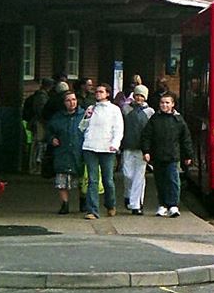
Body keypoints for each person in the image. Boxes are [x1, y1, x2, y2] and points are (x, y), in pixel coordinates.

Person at [140, 92, 193, 218]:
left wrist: (188, 155)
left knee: (173, 180)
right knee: (160, 181)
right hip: (157, 156)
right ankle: (162, 205)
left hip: (172, 156)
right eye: (162, 103)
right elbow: (146, 136)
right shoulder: (154, 119)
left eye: (167, 103)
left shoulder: (179, 120)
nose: (164, 105)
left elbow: (185, 139)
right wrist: (146, 151)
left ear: (173, 104)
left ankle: (173, 205)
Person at [80, 83, 124, 220]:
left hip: (107, 147)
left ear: (107, 94)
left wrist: (115, 144)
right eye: (96, 91)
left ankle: (110, 204)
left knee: (108, 179)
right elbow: (81, 127)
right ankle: (92, 210)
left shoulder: (114, 110)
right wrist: (87, 117)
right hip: (90, 146)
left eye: (101, 91)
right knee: (92, 180)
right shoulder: (91, 108)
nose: (97, 94)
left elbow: (118, 129)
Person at [47, 91, 85, 214]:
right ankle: (65, 203)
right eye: (68, 100)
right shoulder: (57, 117)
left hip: (80, 152)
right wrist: (52, 139)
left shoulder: (83, 115)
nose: (72, 103)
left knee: (81, 180)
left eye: (73, 99)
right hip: (62, 152)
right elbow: (49, 131)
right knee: (62, 180)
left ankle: (83, 202)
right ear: (64, 103)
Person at [121, 85, 154, 215]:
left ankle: (136, 204)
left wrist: (149, 148)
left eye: (142, 96)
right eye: (137, 95)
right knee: (127, 174)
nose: (139, 98)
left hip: (142, 148)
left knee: (139, 176)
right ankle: (128, 194)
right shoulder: (126, 109)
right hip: (128, 145)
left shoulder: (150, 112)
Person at [22, 78, 53, 174]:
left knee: (36, 145)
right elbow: (41, 112)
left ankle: (34, 167)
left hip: (36, 122)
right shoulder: (42, 97)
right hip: (39, 123)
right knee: (37, 145)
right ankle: (34, 168)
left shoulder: (38, 96)